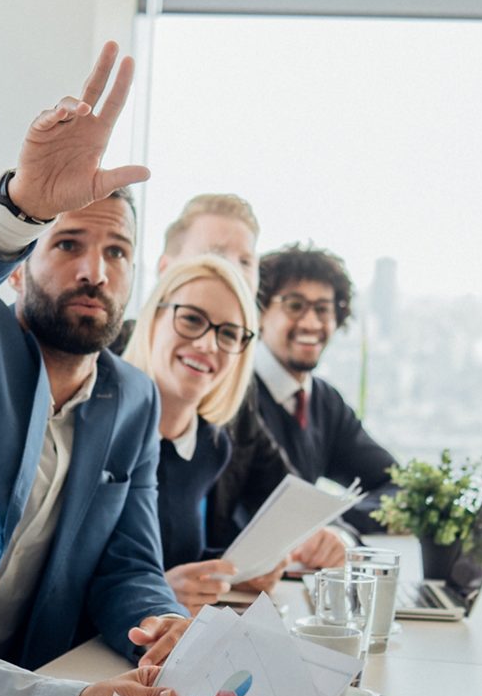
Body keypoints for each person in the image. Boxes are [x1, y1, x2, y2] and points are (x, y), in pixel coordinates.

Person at [0, 42, 192, 673]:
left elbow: (130, 563)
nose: (95, 271)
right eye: (67, 244)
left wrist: (160, 621)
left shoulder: (134, 399)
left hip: (34, 685)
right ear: (17, 273)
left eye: (118, 253)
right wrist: (25, 209)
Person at [121, 255, 295, 613]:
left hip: (169, 642)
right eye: (191, 320)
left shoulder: (210, 447)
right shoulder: (107, 430)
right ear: (153, 319)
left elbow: (174, 553)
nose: (207, 345)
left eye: (228, 333)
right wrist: (158, 591)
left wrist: (232, 573)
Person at [207, 242, 396, 553]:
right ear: (260, 313)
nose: (311, 323)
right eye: (294, 306)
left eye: (323, 309)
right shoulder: (231, 396)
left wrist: (332, 525)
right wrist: (320, 526)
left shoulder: (324, 402)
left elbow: (395, 484)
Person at [108, 193, 259, 355]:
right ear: (165, 268)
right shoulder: (102, 354)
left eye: (245, 262)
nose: (234, 271)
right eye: (215, 256)